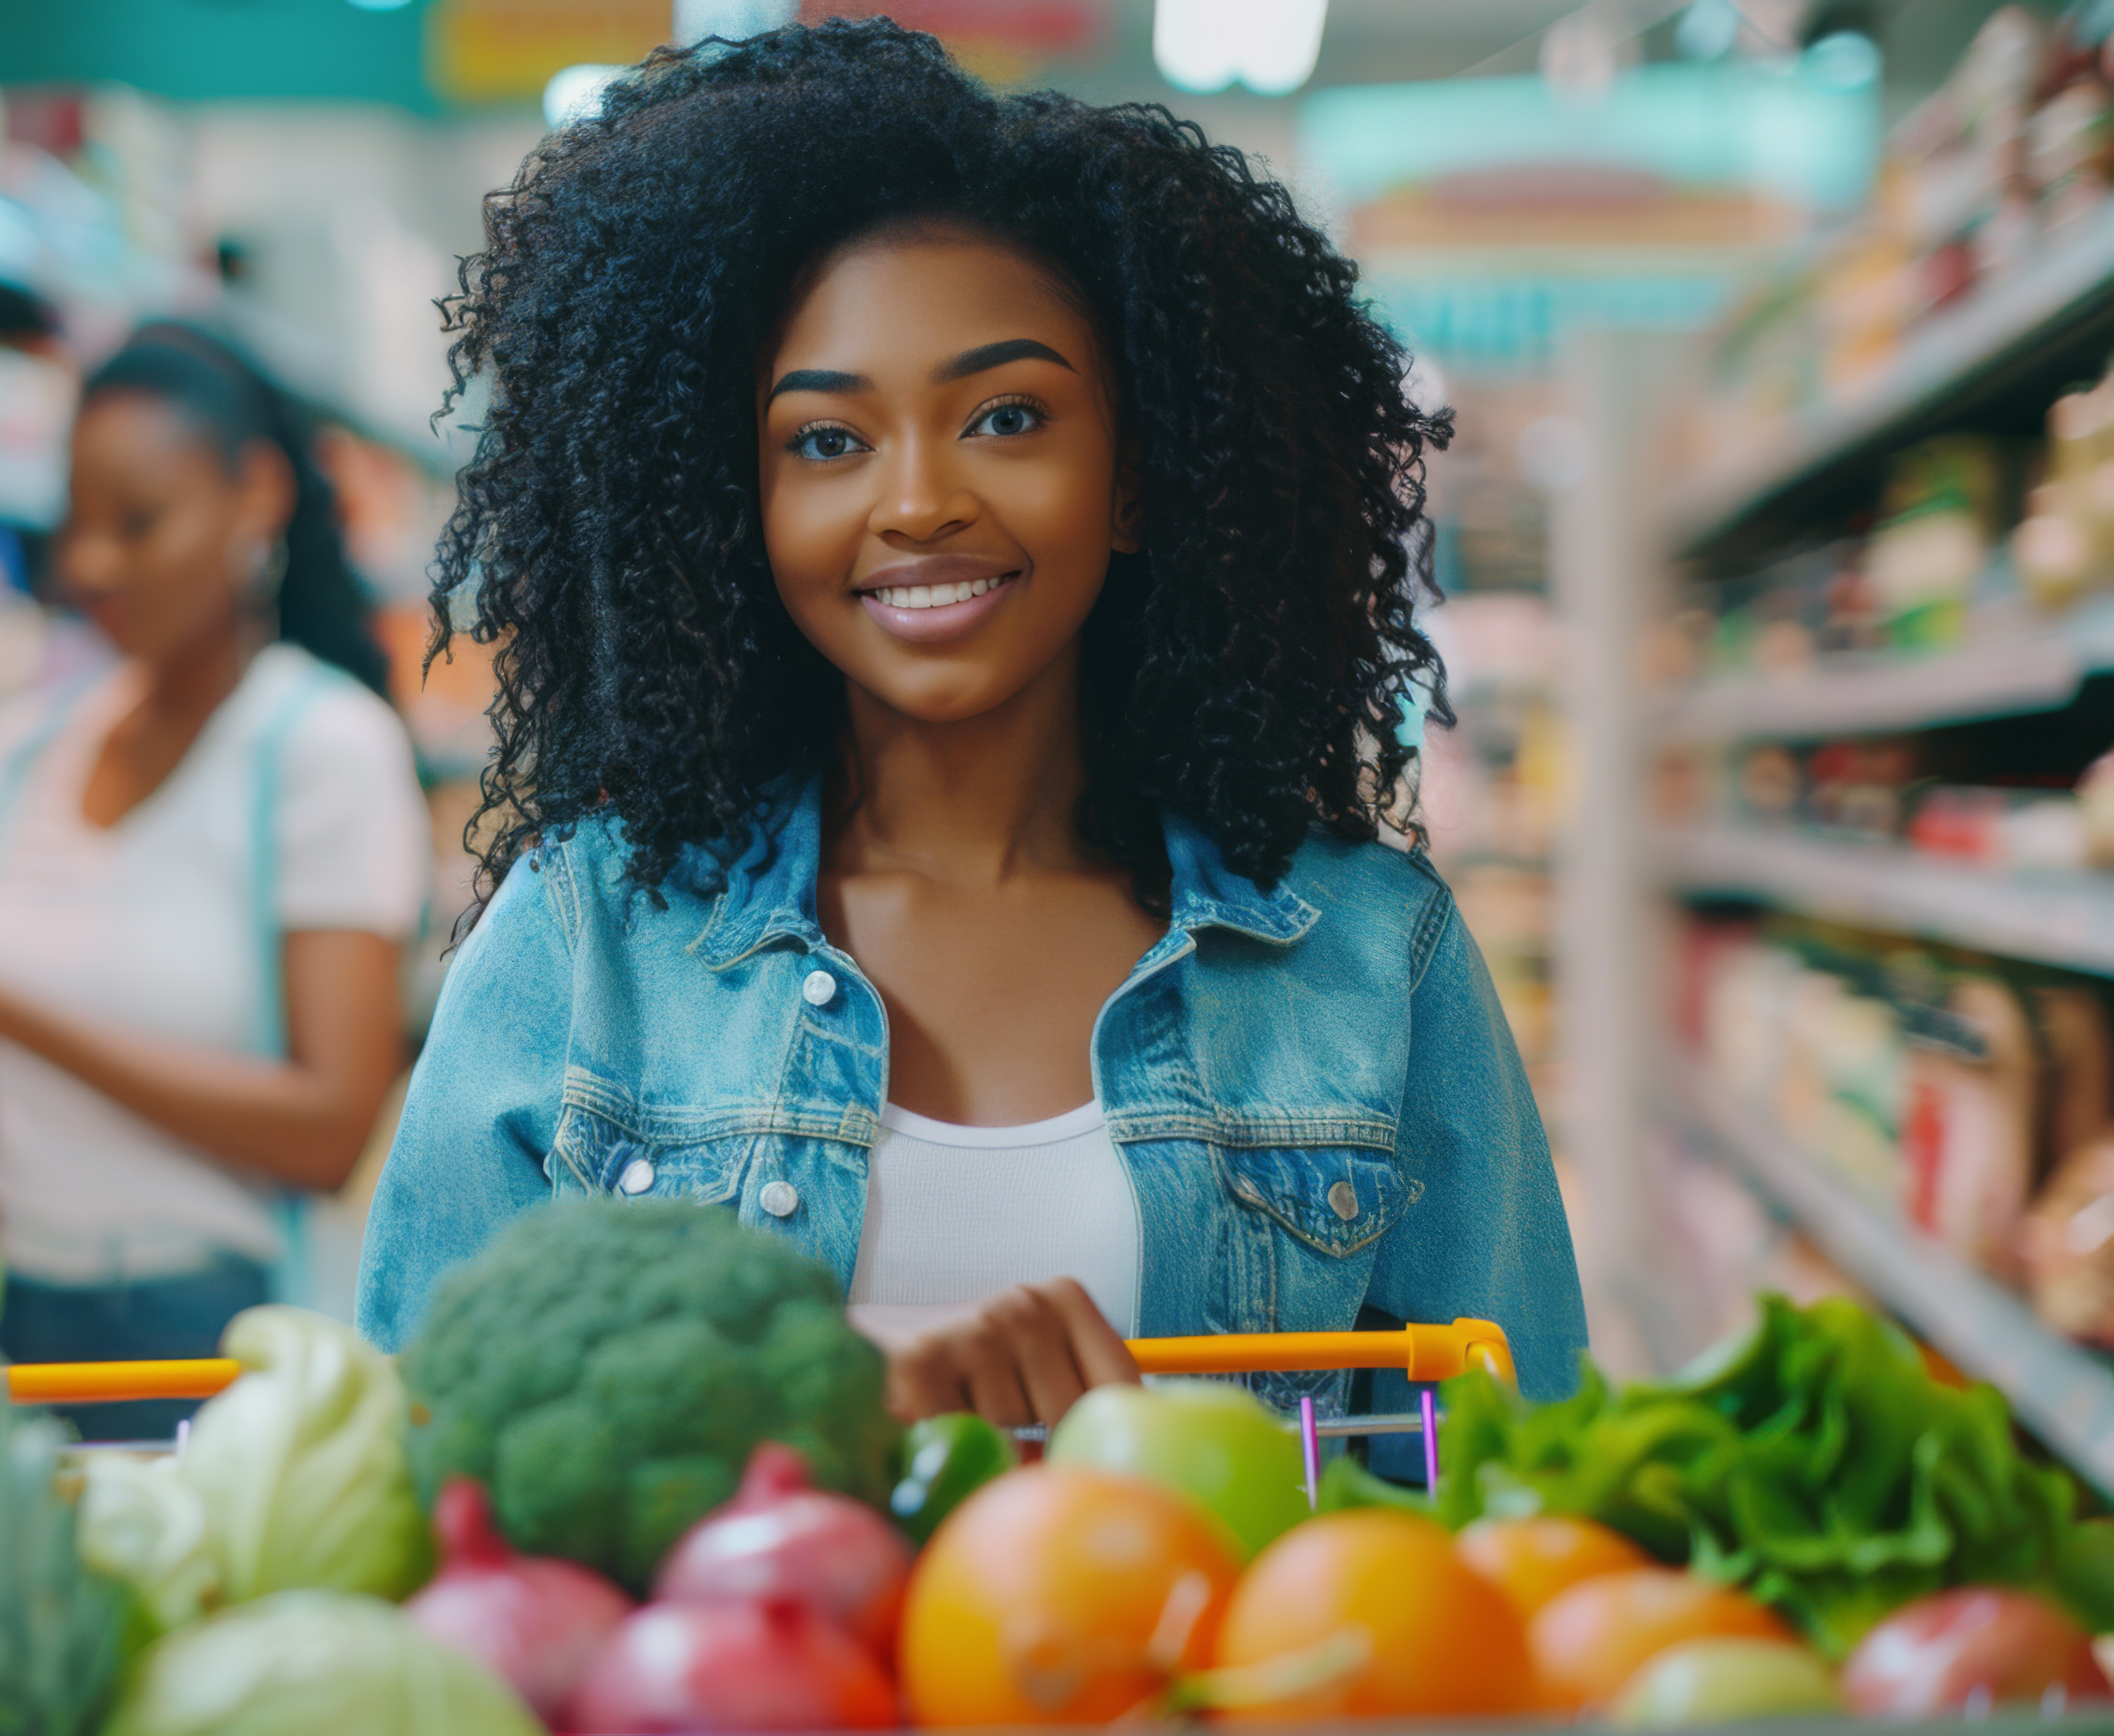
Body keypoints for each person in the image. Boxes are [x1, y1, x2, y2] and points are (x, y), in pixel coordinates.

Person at [354, 21, 1586, 1435]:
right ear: (731, 509)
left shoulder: (1372, 962)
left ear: (1138, 479)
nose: (920, 499)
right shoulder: (585, 944)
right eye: (826, 441)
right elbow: (423, 1460)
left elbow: (1520, 1497)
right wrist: (817, 1417)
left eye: (1007, 417)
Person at [0, 326, 428, 1435]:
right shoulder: (14, 756)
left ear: (255, 497)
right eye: (74, 526)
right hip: (15, 1311)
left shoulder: (319, 749)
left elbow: (331, 1129)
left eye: (137, 521)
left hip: (219, 1335)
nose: (90, 566)